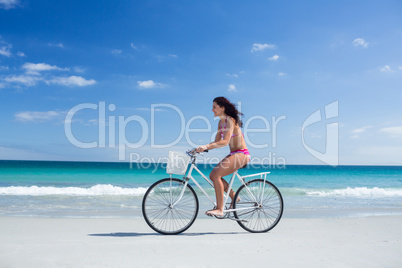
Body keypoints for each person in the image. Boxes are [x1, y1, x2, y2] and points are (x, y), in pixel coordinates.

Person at [196, 96, 250, 217]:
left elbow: (225, 142)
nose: (212, 110)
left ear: (222, 108)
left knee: (217, 175)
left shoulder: (230, 120)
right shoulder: (221, 123)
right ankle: (235, 197)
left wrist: (206, 146)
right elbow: (216, 142)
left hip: (242, 154)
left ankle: (220, 209)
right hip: (233, 154)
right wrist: (200, 148)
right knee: (213, 175)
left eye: (214, 107)